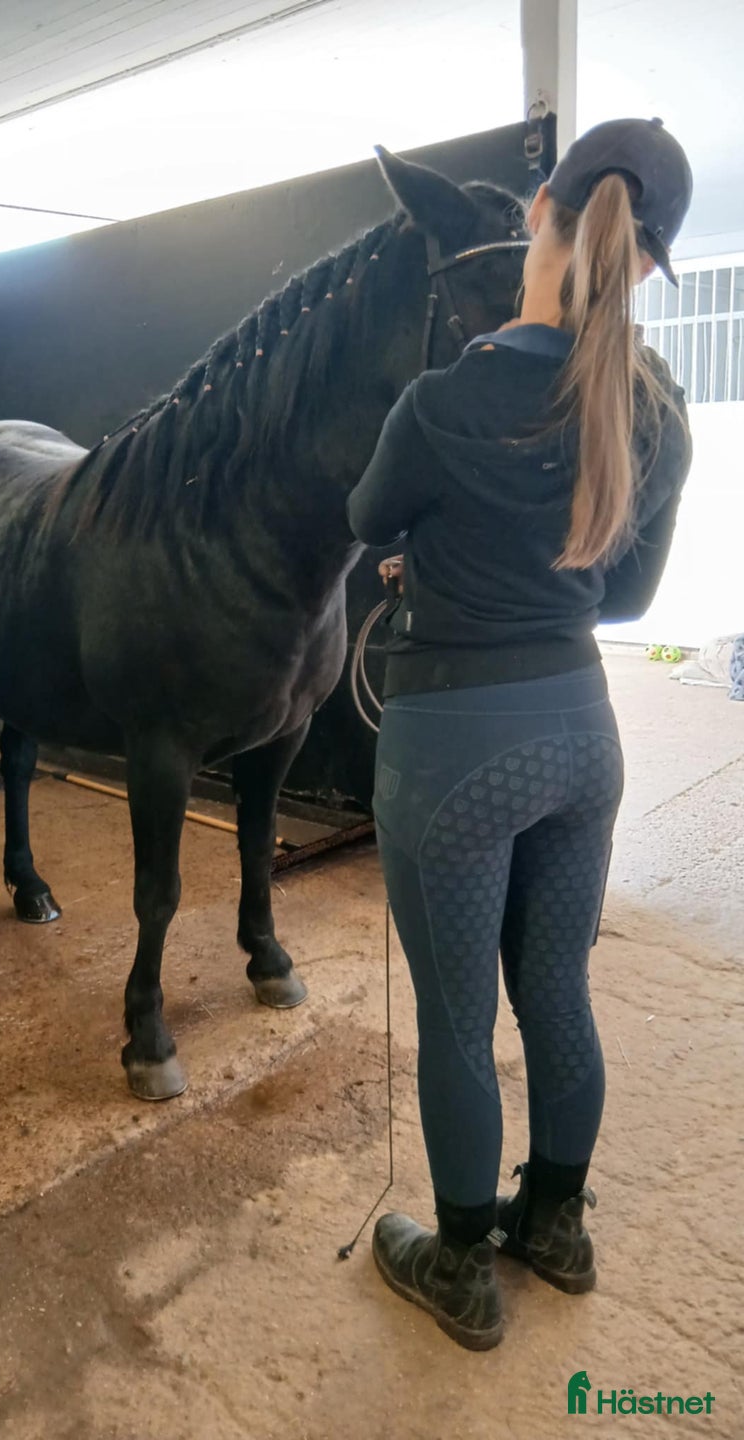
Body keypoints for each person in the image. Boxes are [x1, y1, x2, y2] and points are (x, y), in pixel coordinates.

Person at [345, 118, 693, 1350]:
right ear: (650, 264)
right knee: (556, 988)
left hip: (453, 752)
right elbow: (632, 595)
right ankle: (556, 1224)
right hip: (583, 743)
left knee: (455, 1019)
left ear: (540, 209)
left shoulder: (446, 398)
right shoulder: (656, 409)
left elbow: (366, 515)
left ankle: (459, 1263)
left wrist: (439, 554)